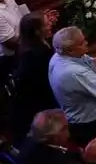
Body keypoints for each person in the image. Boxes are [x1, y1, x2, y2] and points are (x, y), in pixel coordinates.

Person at [47, 28, 96, 164]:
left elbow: (92, 65)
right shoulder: (71, 71)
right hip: (92, 124)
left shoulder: (64, 55)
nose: (87, 42)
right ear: (69, 50)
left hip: (94, 118)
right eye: (82, 42)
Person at [10, 11, 59, 148]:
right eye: (46, 23)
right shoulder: (36, 56)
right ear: (37, 32)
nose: (50, 25)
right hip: (33, 113)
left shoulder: (31, 47)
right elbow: (47, 87)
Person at [18, 110, 96, 164]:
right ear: (55, 138)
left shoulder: (31, 139)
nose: (69, 131)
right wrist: (90, 160)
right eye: (65, 128)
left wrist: (82, 155)